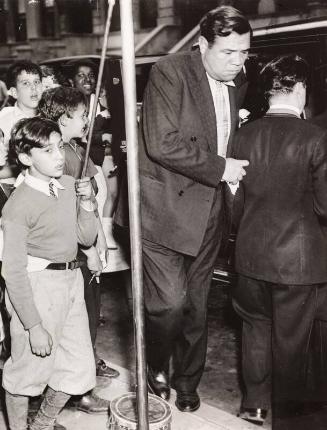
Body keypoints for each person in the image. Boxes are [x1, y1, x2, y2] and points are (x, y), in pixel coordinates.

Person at [116, 5, 251, 412]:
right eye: (228, 52)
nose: (238, 62)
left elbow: (225, 133)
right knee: (168, 303)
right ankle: (155, 365)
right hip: (161, 210)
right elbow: (161, 142)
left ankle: (187, 381)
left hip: (210, 209)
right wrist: (221, 167)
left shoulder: (237, 79)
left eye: (244, 52)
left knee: (197, 303)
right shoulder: (170, 71)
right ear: (202, 44)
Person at [232, 54, 327, 427]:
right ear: (300, 89)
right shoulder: (316, 137)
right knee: (292, 342)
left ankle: (254, 405)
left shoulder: (242, 136)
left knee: (255, 328)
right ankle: (290, 420)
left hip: (250, 256)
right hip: (296, 263)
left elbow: (233, 203)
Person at [2, 117, 98, 430]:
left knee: (78, 368)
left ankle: (41, 423)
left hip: (71, 282)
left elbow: (85, 238)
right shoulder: (18, 208)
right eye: (47, 150)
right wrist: (33, 325)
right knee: (27, 374)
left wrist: (87, 203)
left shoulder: (67, 186)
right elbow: (13, 272)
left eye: (59, 146)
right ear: (26, 158)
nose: (59, 156)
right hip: (37, 287)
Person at [38, 86, 120, 414]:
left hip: (85, 243)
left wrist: (100, 239)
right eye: (82, 115)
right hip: (74, 254)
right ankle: (77, 392)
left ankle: (77, 386)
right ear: (62, 118)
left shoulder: (75, 148)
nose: (87, 119)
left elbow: (90, 206)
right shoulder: (64, 157)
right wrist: (91, 250)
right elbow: (68, 212)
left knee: (88, 318)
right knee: (81, 324)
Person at [0, 61, 43, 181]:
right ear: (14, 92)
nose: (33, 88)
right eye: (26, 83)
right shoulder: (3, 119)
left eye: (37, 82)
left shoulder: (49, 116)